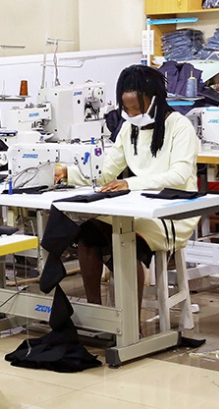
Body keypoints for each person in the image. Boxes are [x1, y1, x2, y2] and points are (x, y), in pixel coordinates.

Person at [55, 64, 199, 315]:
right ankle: (96, 314)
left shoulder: (179, 126)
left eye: (138, 108)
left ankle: (131, 325)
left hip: (173, 212)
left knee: (128, 242)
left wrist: (129, 183)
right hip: (139, 207)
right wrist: (69, 173)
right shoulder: (129, 130)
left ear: (156, 101)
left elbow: (178, 176)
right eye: (127, 109)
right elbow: (106, 173)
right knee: (87, 233)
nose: (132, 114)